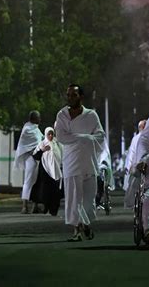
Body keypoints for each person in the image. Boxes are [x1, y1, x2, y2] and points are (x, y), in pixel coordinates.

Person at [55, 84, 105, 242]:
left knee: (89, 199)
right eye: (68, 95)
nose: (70, 98)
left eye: (73, 95)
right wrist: (83, 137)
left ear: (81, 97)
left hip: (89, 162)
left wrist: (83, 138)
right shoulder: (62, 115)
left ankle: (86, 223)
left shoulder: (91, 115)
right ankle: (77, 230)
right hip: (71, 163)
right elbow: (62, 137)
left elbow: (100, 136)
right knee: (73, 198)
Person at [14, 111, 43, 214]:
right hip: (30, 158)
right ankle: (24, 206)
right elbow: (24, 145)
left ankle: (35, 206)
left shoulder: (36, 129)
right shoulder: (27, 129)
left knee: (36, 182)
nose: (40, 119)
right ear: (34, 118)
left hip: (38, 159)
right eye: (39, 118)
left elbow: (42, 140)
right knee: (28, 181)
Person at [30, 127, 63, 216]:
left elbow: (63, 155)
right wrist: (42, 150)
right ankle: (46, 208)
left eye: (52, 134)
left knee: (56, 191)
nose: (51, 136)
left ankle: (54, 210)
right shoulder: (42, 144)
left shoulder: (57, 144)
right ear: (45, 134)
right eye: (49, 134)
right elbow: (35, 156)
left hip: (56, 171)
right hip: (45, 171)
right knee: (46, 190)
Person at [123, 119, 147, 209]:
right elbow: (131, 153)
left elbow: (131, 154)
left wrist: (128, 166)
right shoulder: (139, 138)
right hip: (139, 166)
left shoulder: (137, 138)